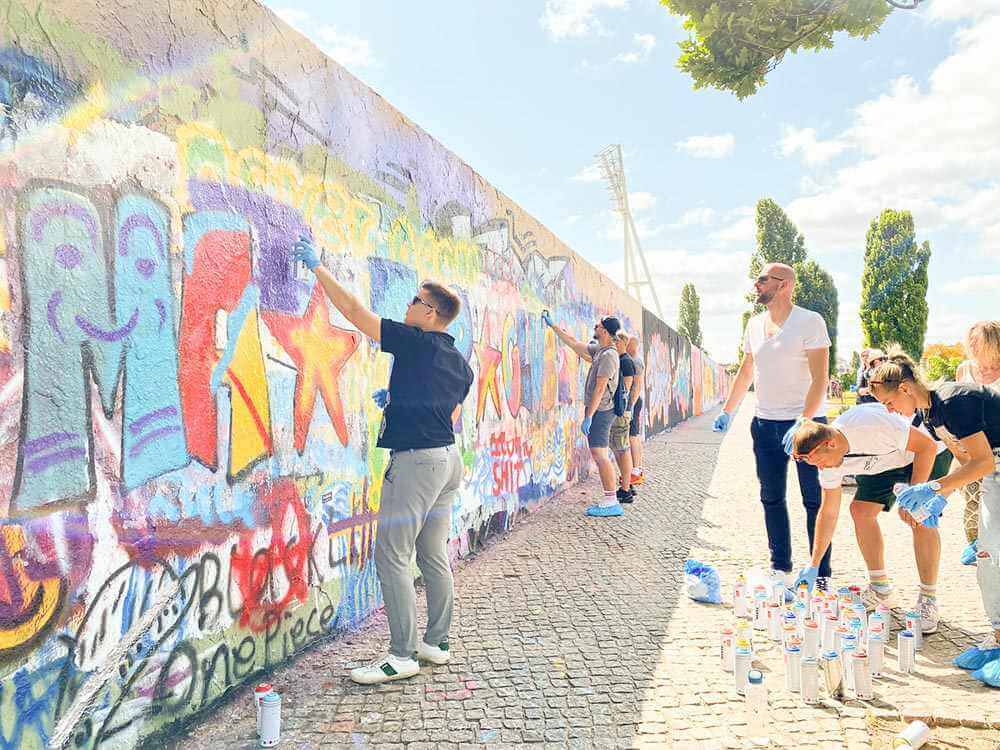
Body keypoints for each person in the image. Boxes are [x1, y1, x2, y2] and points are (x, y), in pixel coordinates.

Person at [292, 236, 474, 685]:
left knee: (391, 554)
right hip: (447, 460)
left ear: (430, 314)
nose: (409, 306)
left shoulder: (414, 341)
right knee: (432, 553)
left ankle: (401, 655)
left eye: (415, 301)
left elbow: (355, 312)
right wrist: (397, 400)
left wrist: (318, 268)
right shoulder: (460, 363)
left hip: (415, 464)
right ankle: (436, 644)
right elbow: (446, 410)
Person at [869, 346, 1000, 687]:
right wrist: (938, 498)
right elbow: (966, 460)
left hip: (994, 466)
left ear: (905, 388)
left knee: (997, 553)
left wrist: (934, 488)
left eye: (890, 403)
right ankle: (998, 636)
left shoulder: (955, 401)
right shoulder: (930, 415)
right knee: (987, 556)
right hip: (993, 475)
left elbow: (983, 460)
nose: (890, 411)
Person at [713, 263, 831, 595]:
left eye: (763, 279)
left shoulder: (810, 321)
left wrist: (804, 421)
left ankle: (820, 572)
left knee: (814, 500)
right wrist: (728, 410)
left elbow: (820, 378)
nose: (756, 284)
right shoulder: (754, 325)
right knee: (771, 497)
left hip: (808, 426)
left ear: (784, 285)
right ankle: (780, 568)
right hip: (765, 424)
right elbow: (746, 370)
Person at [790, 404, 952, 631]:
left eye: (818, 461)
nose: (819, 467)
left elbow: (926, 446)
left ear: (831, 444)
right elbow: (828, 512)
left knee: (919, 517)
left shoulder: (869, 426)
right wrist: (814, 564)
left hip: (926, 451)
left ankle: (928, 598)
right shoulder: (829, 460)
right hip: (886, 461)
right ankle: (881, 588)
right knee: (860, 511)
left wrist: (915, 494)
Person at [543, 311, 623, 517]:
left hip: (602, 411)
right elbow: (573, 343)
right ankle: (610, 499)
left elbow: (600, 388)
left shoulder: (609, 356)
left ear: (605, 331)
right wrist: (553, 325)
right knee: (599, 454)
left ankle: (611, 501)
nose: (595, 327)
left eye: (598, 326)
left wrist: (589, 416)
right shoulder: (600, 350)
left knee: (600, 454)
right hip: (598, 410)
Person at [956, 321, 1000, 565]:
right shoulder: (964, 369)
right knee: (972, 497)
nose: (971, 346)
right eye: (970, 341)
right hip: (971, 445)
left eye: (977, 341)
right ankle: (976, 545)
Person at [610, 331, 636, 502]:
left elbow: (625, 389)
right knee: (619, 449)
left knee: (622, 449)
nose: (613, 344)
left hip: (620, 412)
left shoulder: (625, 361)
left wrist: (622, 408)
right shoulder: (622, 360)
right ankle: (627, 485)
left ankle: (626, 491)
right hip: (619, 411)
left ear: (622, 343)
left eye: (616, 341)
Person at [626, 335, 645, 486]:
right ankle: (637, 470)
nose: (626, 347)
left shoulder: (636, 361)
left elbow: (637, 386)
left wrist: (630, 406)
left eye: (628, 344)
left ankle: (636, 471)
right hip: (634, 401)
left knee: (632, 436)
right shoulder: (633, 359)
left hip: (634, 400)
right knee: (634, 435)